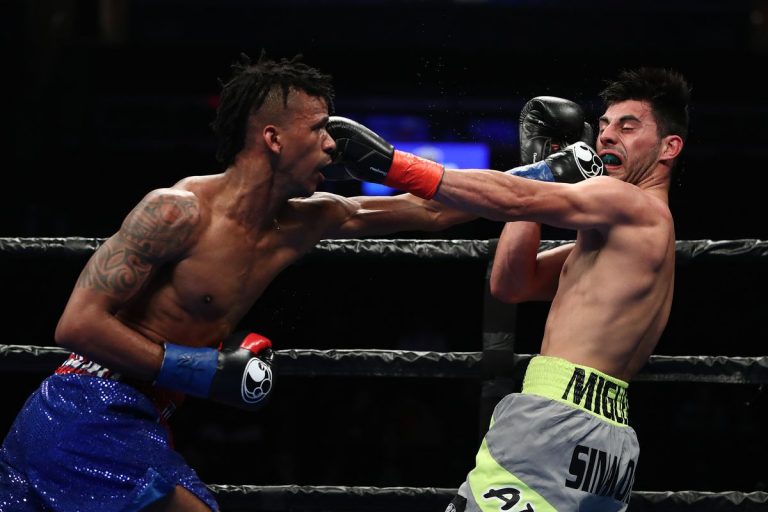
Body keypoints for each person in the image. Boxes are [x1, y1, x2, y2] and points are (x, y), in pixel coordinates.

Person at [0, 52, 481, 511]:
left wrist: (404, 165)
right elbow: (77, 325)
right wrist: (200, 370)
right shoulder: (176, 211)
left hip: (138, 416)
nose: (334, 144)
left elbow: (435, 211)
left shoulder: (305, 221)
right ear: (274, 138)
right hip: (85, 408)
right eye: (318, 129)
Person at [326, 67, 690, 511]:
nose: (608, 135)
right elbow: (512, 282)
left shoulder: (629, 203)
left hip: (555, 422)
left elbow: (515, 198)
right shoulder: (638, 233)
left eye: (628, 127)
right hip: (607, 448)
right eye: (605, 125)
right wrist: (541, 170)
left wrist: (393, 164)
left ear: (669, 147)